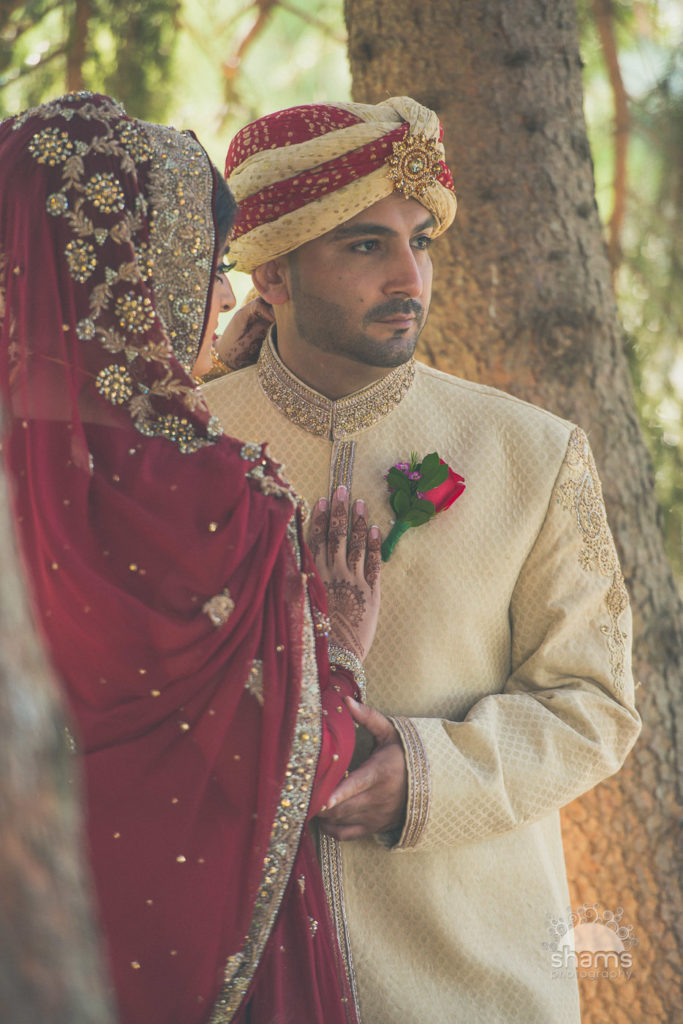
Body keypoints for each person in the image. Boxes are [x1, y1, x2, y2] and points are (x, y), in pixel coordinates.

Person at [203, 97, 642, 1024]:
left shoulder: (533, 454)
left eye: (421, 242)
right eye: (365, 245)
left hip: (472, 982)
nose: (410, 277)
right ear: (272, 273)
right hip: (229, 972)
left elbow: (594, 706)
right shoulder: (188, 446)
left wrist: (427, 775)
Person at [0, 92, 382, 1024]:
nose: (225, 296)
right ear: (146, 277)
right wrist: (338, 649)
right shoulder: (216, 501)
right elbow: (294, 766)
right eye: (210, 266)